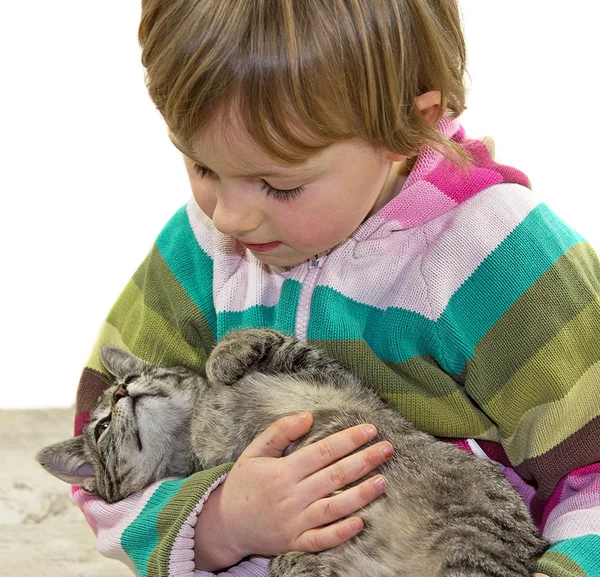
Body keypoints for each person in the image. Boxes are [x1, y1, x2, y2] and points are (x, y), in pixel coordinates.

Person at [71, 1, 600, 576]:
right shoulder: (198, 250)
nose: (228, 217)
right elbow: (104, 458)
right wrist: (221, 523)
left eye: (278, 184)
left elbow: (593, 475)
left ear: (410, 125)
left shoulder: (497, 254)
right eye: (201, 166)